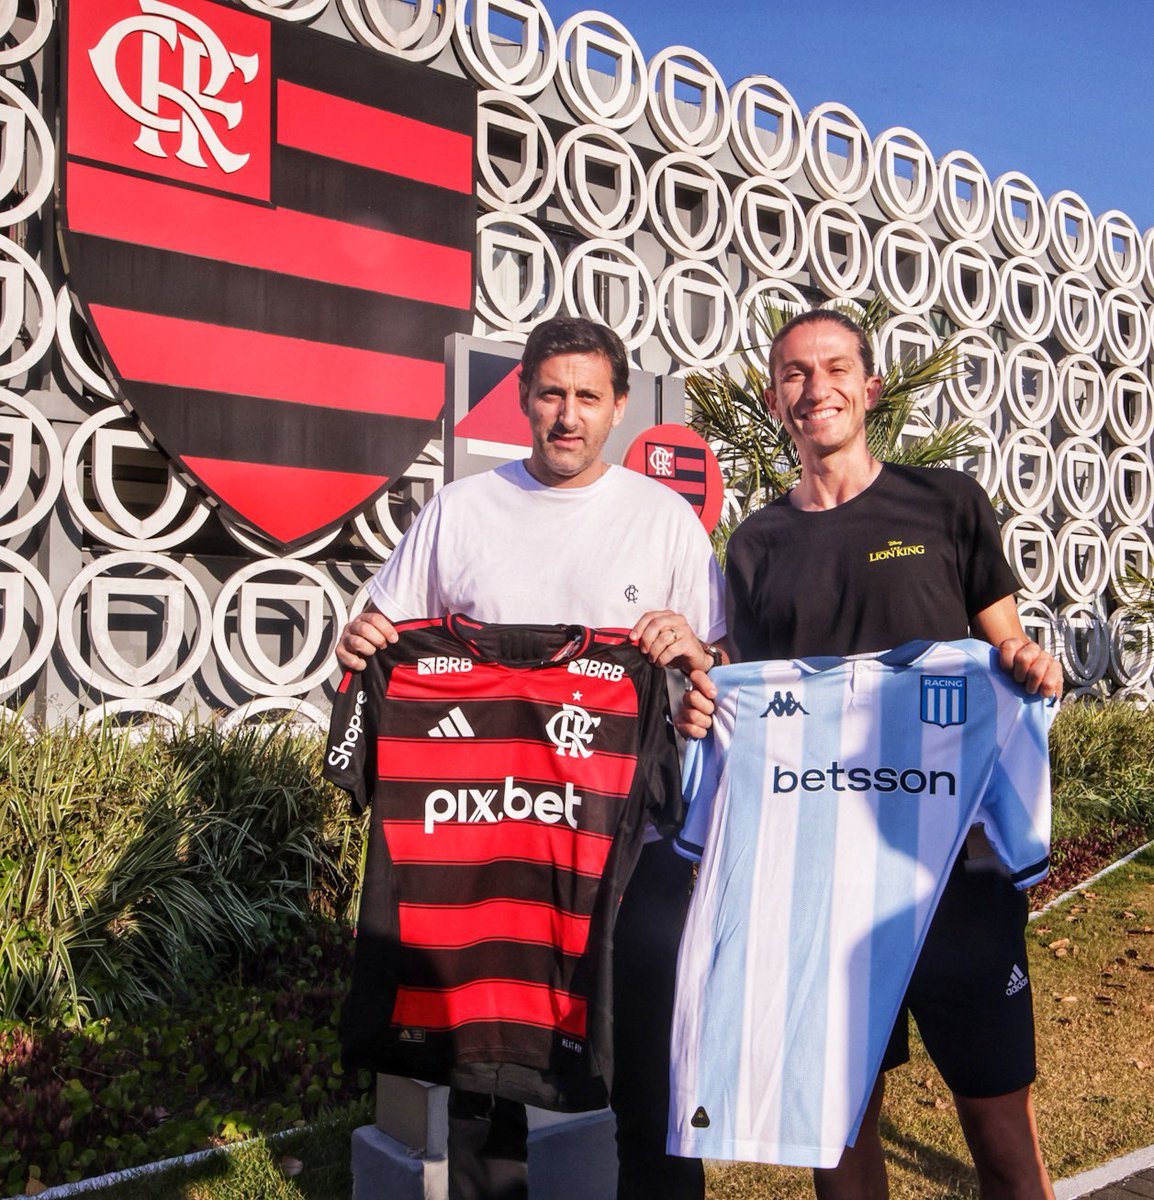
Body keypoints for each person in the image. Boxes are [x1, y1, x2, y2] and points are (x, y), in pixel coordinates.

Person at [336, 315, 725, 1200]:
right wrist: (361, 642)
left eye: (588, 396)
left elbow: (722, 676)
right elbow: (383, 641)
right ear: (521, 398)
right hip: (484, 852)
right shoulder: (460, 512)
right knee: (484, 1083)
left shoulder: (663, 522)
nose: (567, 414)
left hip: (622, 848)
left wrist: (694, 650)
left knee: (645, 1076)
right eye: (550, 393)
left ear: (619, 407)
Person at [677, 308, 1062, 1200]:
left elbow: (1006, 648)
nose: (818, 389)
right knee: (839, 1131)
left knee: (1003, 1139)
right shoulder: (758, 544)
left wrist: (1028, 666)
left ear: (871, 388)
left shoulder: (946, 503)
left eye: (836, 368)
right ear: (775, 399)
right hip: (817, 888)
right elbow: (753, 692)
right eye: (796, 374)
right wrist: (708, 696)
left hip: (953, 876)